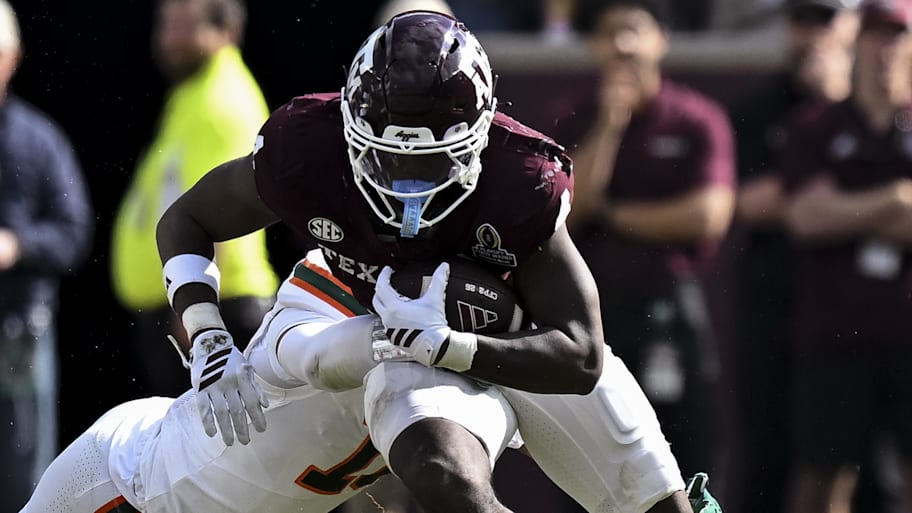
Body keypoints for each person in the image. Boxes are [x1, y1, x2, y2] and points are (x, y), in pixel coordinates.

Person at [22, 10, 720, 513]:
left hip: (445, 338)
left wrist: (456, 345)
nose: (406, 190)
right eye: (387, 159)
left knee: (653, 496)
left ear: (476, 140)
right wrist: (205, 335)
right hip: (129, 472)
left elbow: (578, 355)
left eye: (429, 163)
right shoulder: (312, 186)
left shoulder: (515, 185)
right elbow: (331, 339)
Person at [556, 0, 736, 479]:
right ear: (593, 47)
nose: (623, 44)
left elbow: (708, 216)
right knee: (589, 458)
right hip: (593, 313)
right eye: (610, 33)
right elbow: (569, 210)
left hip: (671, 311)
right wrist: (610, 123)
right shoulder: (572, 119)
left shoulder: (697, 118)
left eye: (635, 29)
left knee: (683, 455)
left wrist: (613, 213)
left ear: (662, 39)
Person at [726, 1, 859, 512]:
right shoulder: (757, 106)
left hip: (861, 312)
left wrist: (835, 103)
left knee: (856, 463)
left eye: (825, 19)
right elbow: (751, 203)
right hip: (774, 303)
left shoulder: (883, 107)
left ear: (851, 26)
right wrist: (853, 198)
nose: (812, 34)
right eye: (801, 20)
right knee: (767, 453)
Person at [780, 1, 912, 512]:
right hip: (835, 333)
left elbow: (826, 211)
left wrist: (847, 208)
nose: (886, 49)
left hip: (906, 330)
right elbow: (806, 216)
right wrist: (895, 199)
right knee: (821, 478)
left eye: (897, 35)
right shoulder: (816, 125)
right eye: (876, 34)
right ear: (856, 40)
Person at [110, 0, 278, 397]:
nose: (169, 39)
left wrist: (199, 316)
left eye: (185, 27)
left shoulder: (220, 101)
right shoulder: (193, 94)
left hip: (213, 308)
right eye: (165, 24)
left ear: (226, 31)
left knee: (216, 437)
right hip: (192, 305)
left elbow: (222, 210)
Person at [0, 1, 95, 510]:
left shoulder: (39, 141)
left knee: (24, 476)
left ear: (12, 58)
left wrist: (16, 246)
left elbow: (74, 233)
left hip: (17, 333)